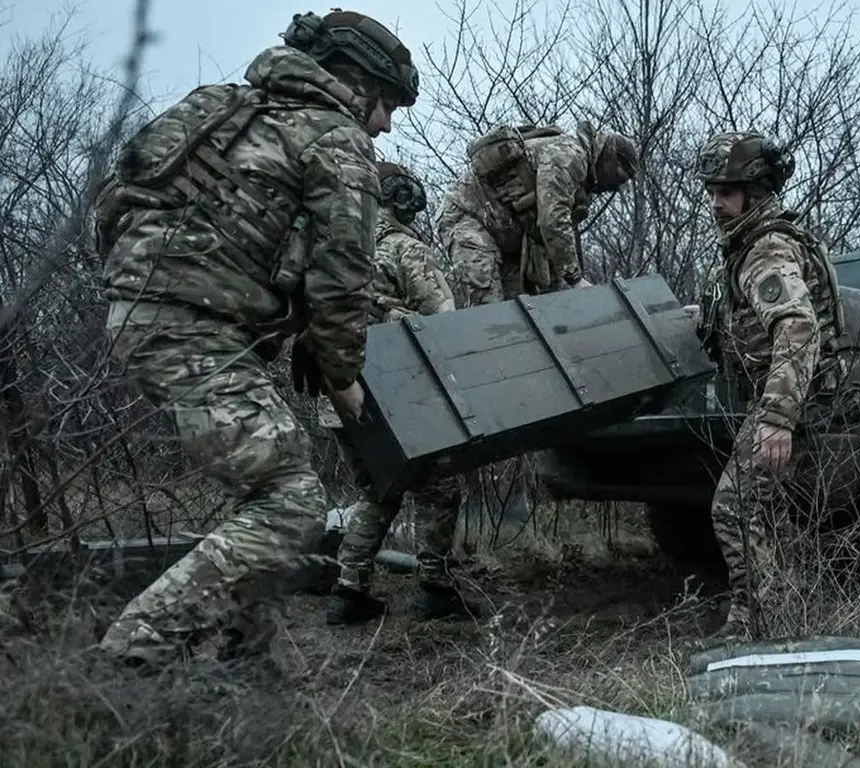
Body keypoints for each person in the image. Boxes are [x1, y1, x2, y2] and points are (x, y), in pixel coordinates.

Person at [93, 9, 419, 669]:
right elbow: (344, 276)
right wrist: (342, 376)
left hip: (143, 314)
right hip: (197, 330)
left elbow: (112, 202)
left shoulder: (219, 107)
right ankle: (126, 661)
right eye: (386, 104)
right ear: (355, 81)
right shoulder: (335, 136)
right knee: (294, 504)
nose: (385, 123)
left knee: (269, 486)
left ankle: (248, 661)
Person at [691, 131, 855, 641]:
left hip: (791, 402)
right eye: (711, 192)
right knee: (765, 512)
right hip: (792, 396)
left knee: (735, 505)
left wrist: (777, 419)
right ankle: (772, 616)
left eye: (727, 192)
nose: (715, 203)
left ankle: (757, 628)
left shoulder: (766, 248)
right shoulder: (752, 244)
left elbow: (797, 326)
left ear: (756, 193)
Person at [321, 161, 480, 626]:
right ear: (404, 200)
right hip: (398, 397)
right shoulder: (405, 249)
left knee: (377, 489)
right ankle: (435, 588)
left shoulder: (335, 252)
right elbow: (442, 322)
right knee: (439, 487)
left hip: (337, 394)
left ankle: (349, 590)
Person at [435, 121, 639, 305]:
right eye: (618, 177)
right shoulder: (570, 156)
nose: (614, 187)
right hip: (467, 215)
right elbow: (553, 219)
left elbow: (551, 239)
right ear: (610, 158)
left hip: (505, 233)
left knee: (522, 307)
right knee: (488, 305)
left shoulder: (581, 185)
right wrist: (574, 278)